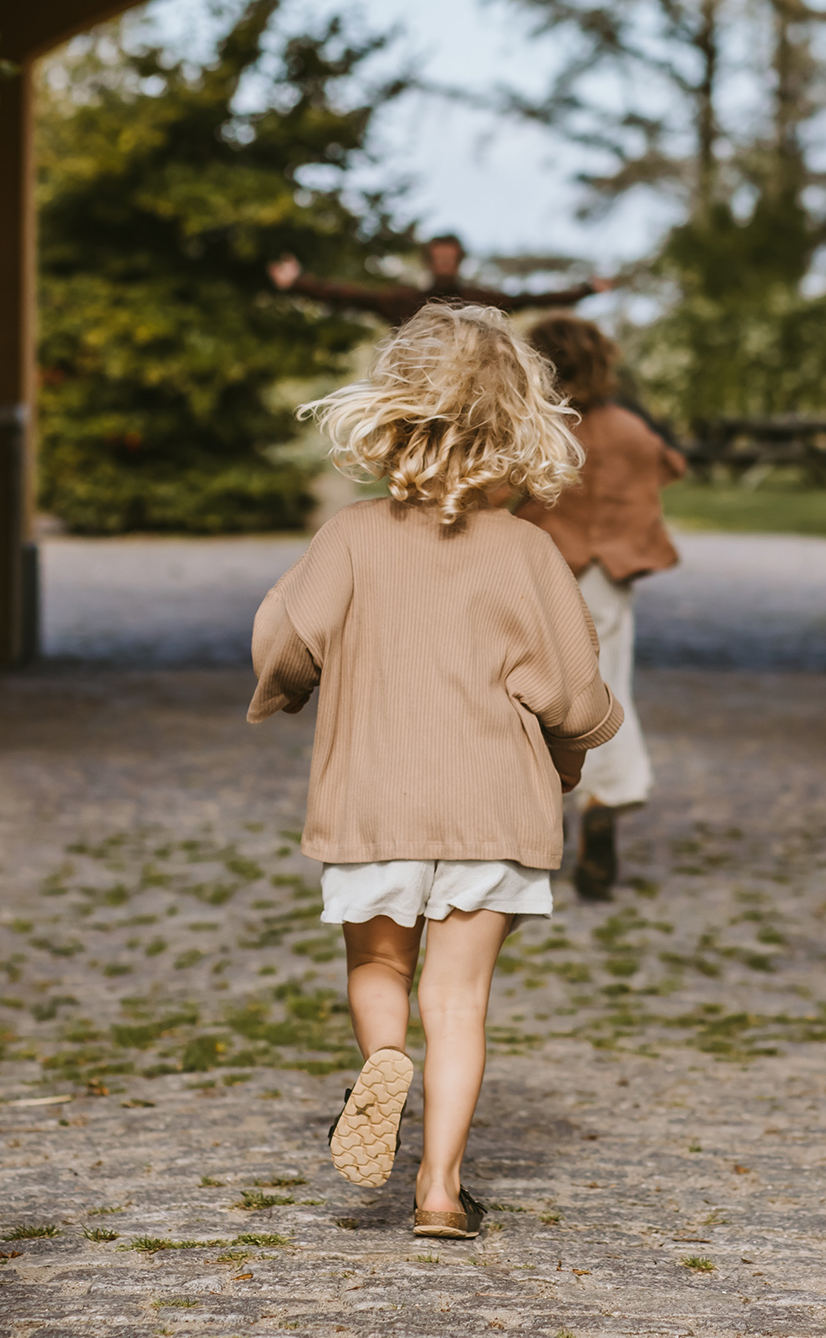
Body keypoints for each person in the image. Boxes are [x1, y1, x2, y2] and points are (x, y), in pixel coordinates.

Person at [248, 304, 622, 1240]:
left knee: (380, 964)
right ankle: (441, 1191)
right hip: (491, 806)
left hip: (374, 798)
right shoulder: (528, 552)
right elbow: (574, 696)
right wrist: (574, 753)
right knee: (458, 1000)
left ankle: (383, 1059)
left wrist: (292, 679)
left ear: (393, 413)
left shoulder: (351, 538)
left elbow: (284, 643)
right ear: (518, 425)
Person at [515, 315, 685, 900]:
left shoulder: (533, 430)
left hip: (536, 572)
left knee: (529, 693)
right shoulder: (629, 430)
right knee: (605, 691)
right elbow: (668, 467)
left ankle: (545, 812)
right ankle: (604, 800)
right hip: (605, 579)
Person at [268, 233, 609, 323]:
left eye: (450, 258)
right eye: (438, 258)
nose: (444, 264)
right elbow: (345, 294)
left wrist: (586, 290)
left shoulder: (482, 302)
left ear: (459, 261)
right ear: (429, 262)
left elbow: (533, 299)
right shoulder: (403, 303)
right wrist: (297, 283)